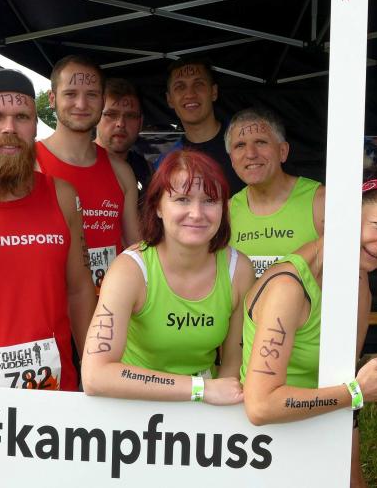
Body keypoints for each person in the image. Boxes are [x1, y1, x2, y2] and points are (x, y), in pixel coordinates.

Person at [240, 165, 377, 487]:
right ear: (345, 213)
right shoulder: (289, 288)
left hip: (322, 426)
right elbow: (260, 406)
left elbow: (343, 380)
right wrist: (356, 392)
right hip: (264, 450)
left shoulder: (359, 281)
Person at [0, 64, 97, 391]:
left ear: (35, 125)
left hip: (54, 393)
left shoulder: (62, 196)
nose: (9, 128)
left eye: (22, 117)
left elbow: (80, 291)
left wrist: (94, 372)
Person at [82, 150, 255, 405]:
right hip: (135, 403)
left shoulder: (238, 269)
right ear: (158, 207)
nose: (196, 213)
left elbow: (233, 362)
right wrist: (199, 389)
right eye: (182, 199)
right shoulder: (130, 270)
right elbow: (95, 375)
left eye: (210, 200)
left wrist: (208, 399)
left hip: (204, 407)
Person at [36, 55, 141, 293]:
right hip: (50, 306)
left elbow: (135, 247)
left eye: (92, 94)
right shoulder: (29, 163)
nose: (81, 104)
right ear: (52, 98)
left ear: (102, 100)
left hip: (110, 307)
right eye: (70, 94)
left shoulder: (121, 171)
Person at [225, 107, 325, 277]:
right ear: (232, 160)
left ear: (282, 151)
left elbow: (355, 279)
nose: (250, 154)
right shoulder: (225, 212)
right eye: (240, 145)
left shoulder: (322, 202)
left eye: (260, 142)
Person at [157, 56, 245, 194]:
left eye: (198, 84)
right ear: (169, 100)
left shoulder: (245, 143)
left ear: (214, 92)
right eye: (180, 87)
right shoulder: (167, 162)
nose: (190, 94)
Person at [94, 77, 153, 199]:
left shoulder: (147, 170)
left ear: (141, 123)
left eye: (130, 116)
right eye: (111, 114)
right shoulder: (75, 163)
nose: (120, 123)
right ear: (95, 117)